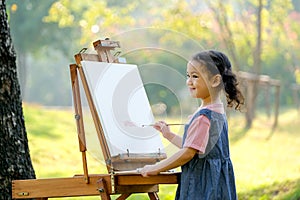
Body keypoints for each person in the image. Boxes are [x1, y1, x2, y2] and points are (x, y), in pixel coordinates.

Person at [140, 50, 244, 200]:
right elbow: (197, 146)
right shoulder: (217, 110)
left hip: (202, 186)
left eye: (195, 76)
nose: (189, 81)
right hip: (219, 185)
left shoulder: (204, 116)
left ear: (215, 81)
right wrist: (169, 135)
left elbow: (188, 153)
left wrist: (155, 168)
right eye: (188, 75)